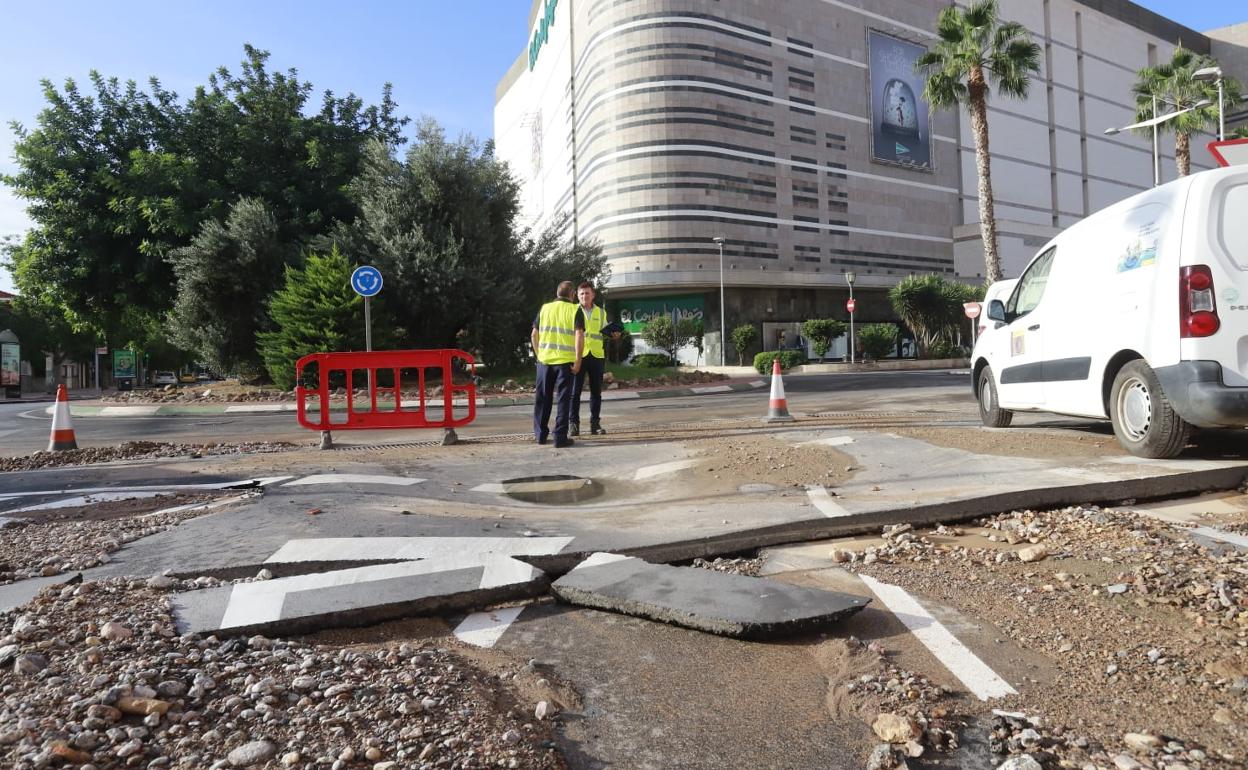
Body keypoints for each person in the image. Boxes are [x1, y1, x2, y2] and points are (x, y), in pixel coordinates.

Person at [531, 281, 584, 448]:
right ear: (572, 294)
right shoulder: (576, 309)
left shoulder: (545, 308)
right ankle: (560, 438)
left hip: (544, 362)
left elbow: (534, 335)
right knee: (563, 400)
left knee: (542, 399)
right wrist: (578, 361)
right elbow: (579, 336)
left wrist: (540, 355)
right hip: (564, 363)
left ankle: (540, 435)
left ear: (557, 293)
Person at [570, 282, 618, 436]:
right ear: (577, 295)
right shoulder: (572, 310)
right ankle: (573, 425)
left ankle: (595, 424)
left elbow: (605, 330)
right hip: (578, 355)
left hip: (597, 356)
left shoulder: (601, 312)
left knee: (596, 392)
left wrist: (614, 334)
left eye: (587, 293)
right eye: (581, 293)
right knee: (574, 392)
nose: (584, 296)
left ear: (593, 295)